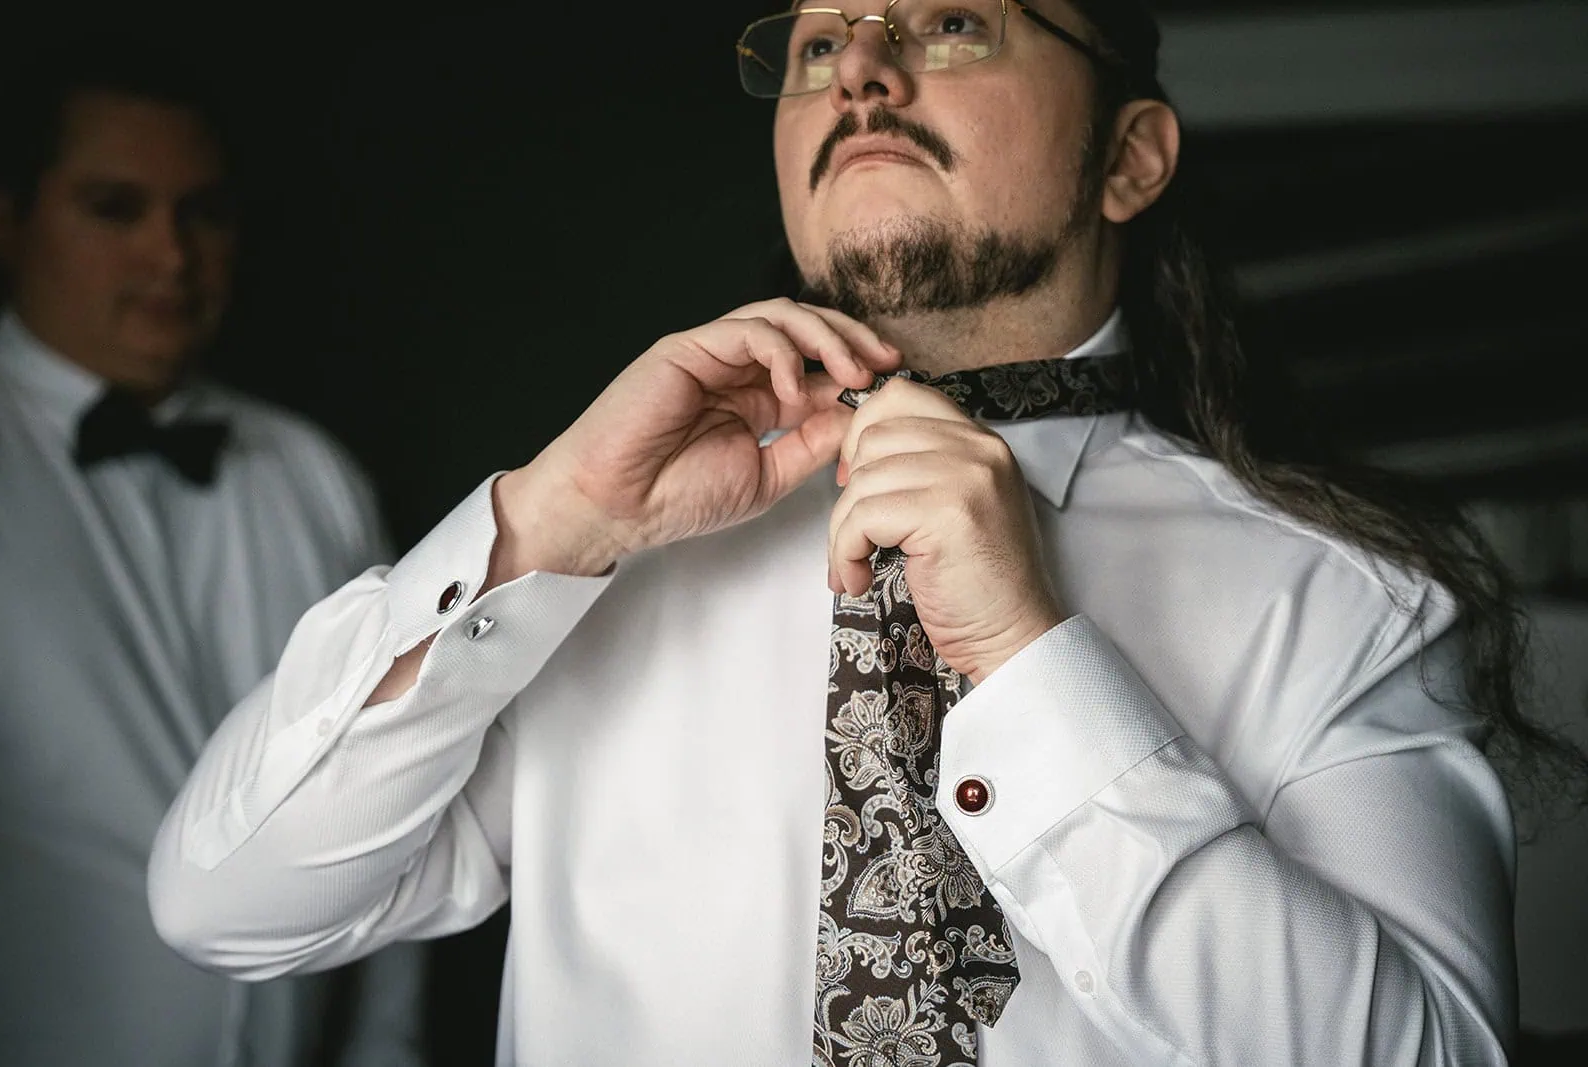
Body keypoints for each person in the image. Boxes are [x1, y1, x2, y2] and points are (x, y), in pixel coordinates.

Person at [148, 1, 1582, 1063]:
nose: (865, 71)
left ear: (1131, 155)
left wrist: (1032, 664)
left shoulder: (1348, 600)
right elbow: (225, 900)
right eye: (819, 45)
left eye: (954, 24)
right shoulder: (593, 572)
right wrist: (548, 522)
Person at [0, 39, 427, 1067]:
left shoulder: (313, 471)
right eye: (114, 207)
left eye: (204, 213)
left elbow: (400, 784)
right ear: (5, 218)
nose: (170, 256)